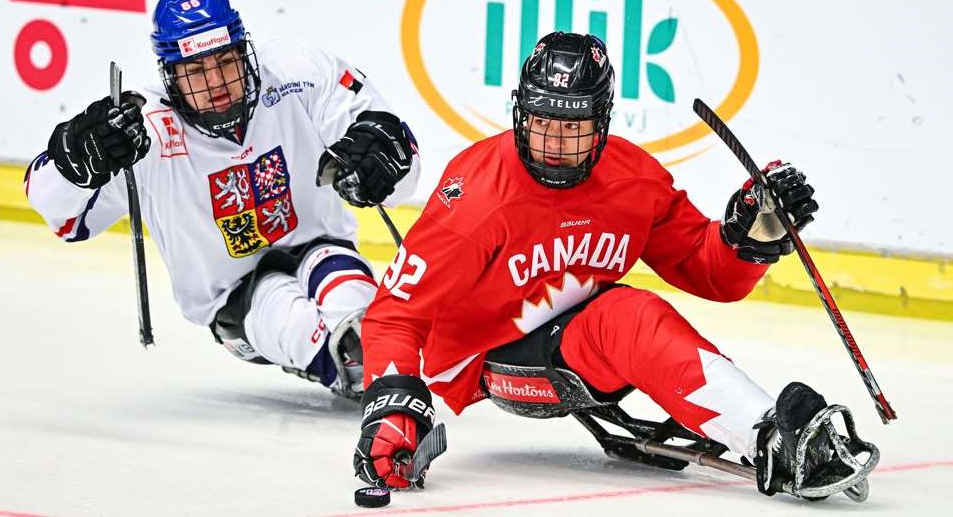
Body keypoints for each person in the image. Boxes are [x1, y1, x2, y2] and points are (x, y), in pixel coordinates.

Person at [352, 32, 878, 499]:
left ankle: (766, 430)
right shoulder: (477, 195)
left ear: (602, 122)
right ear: (520, 113)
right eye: (541, 122)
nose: (555, 144)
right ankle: (770, 438)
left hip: (575, 334)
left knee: (624, 315)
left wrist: (749, 236)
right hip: (486, 359)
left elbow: (706, 269)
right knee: (628, 314)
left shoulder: (635, 180)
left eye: (574, 126)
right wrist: (392, 402)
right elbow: (394, 314)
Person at [24, 0, 420, 399]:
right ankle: (368, 385)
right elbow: (65, 220)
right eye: (195, 71)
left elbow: (397, 155)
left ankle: (383, 371)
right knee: (297, 324)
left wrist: (384, 157)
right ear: (170, 74)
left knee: (354, 304)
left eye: (227, 61)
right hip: (235, 300)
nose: (216, 81)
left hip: (323, 248)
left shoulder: (296, 73)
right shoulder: (146, 130)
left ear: (243, 51)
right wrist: (76, 161)